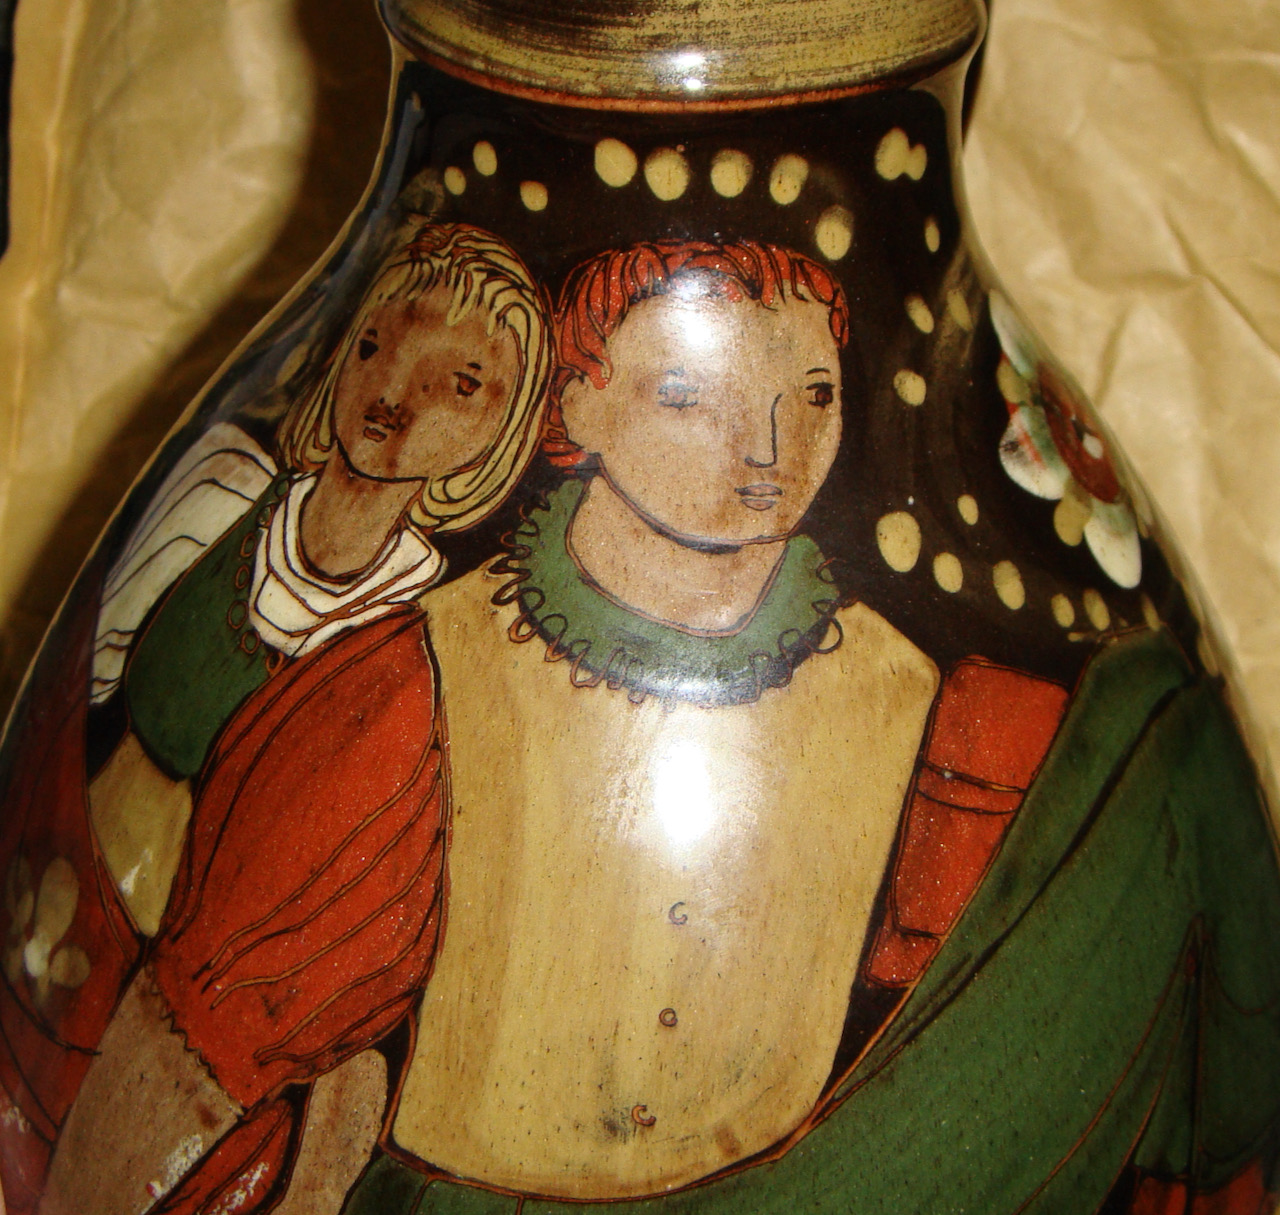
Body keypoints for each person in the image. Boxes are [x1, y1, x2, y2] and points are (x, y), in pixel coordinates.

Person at [338, 239, 1280, 1215]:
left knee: (1149, 712)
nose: (766, 449)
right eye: (687, 394)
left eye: (815, 396)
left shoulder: (897, 682)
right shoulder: (433, 651)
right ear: (575, 405)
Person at [0, 221, 552, 1214]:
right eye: (378, 345)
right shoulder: (227, 490)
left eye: (461, 385)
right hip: (73, 927)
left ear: (497, 435)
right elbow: (77, 710)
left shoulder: (421, 637)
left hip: (227, 1033)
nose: (399, 394)